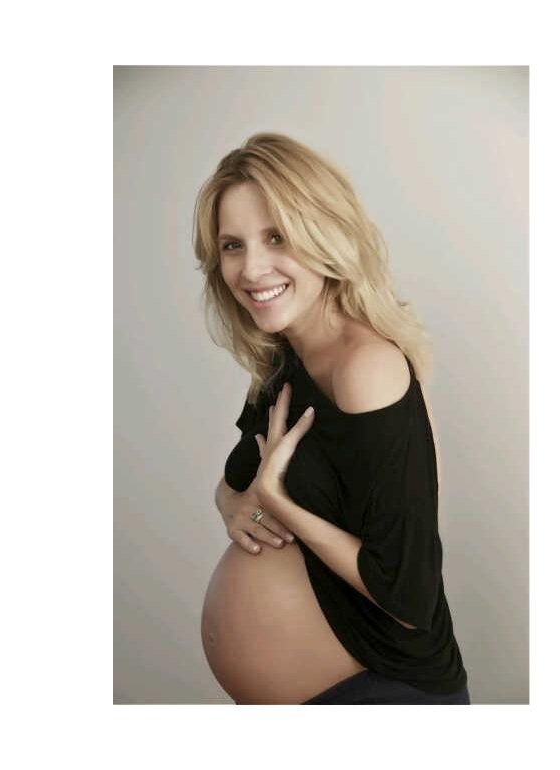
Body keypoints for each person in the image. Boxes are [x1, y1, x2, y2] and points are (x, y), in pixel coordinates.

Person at [193, 132, 470, 704]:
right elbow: (238, 481)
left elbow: (408, 595)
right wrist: (231, 504)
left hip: (384, 695)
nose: (252, 268)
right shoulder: (283, 361)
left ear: (325, 233)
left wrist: (281, 502)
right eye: (232, 245)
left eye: (276, 236)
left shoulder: (366, 367)